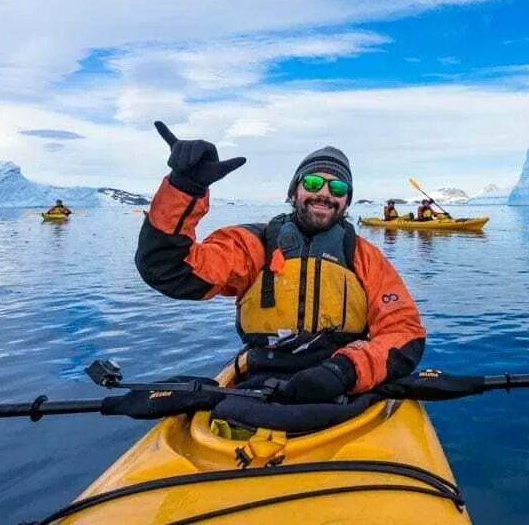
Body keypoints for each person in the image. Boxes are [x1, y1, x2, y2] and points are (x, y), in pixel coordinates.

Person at [136, 121, 426, 405]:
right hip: (260, 382)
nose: (324, 193)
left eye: (337, 188)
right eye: (313, 183)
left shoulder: (365, 257)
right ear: (293, 192)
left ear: (346, 201)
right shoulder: (252, 244)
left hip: (341, 385)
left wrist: (345, 370)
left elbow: (404, 330)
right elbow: (169, 269)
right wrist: (184, 187)